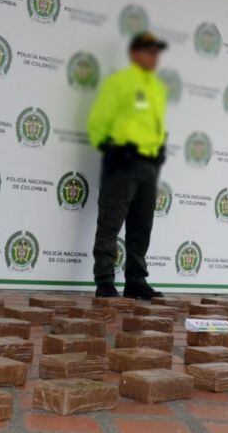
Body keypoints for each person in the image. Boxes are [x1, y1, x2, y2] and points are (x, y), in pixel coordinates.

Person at [87, 32, 169, 300]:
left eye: (157, 52)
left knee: (141, 227)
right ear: (135, 53)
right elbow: (98, 121)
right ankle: (105, 282)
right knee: (110, 223)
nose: (154, 57)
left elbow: (154, 124)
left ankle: (135, 280)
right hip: (122, 164)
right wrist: (111, 148)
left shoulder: (157, 88)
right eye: (149, 51)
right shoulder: (119, 83)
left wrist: (159, 149)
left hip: (148, 166)